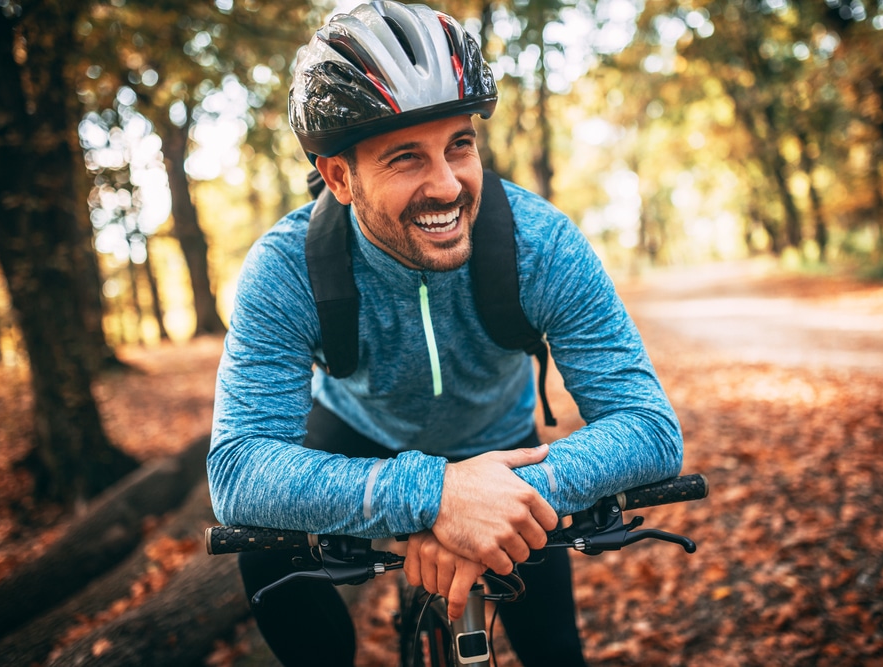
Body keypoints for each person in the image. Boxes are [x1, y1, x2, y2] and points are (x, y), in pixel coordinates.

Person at [207, 1, 684, 665]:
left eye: (459, 145)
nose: (446, 184)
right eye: (406, 157)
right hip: (360, 438)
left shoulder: (541, 245)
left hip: (504, 450)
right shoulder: (286, 269)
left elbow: (651, 428)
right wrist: (433, 497)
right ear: (338, 176)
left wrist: (492, 502)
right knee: (263, 550)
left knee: (555, 651)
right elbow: (237, 471)